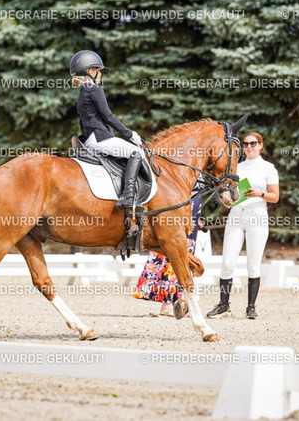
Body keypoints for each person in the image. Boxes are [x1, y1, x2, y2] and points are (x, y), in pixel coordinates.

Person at [207, 132, 279, 319]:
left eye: (253, 143)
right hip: (236, 214)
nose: (249, 147)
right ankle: (224, 305)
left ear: (260, 146)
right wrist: (226, 200)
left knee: (253, 264)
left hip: (257, 215)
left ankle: (251, 307)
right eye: (246, 144)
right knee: (227, 262)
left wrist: (259, 194)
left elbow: (275, 196)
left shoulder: (268, 168)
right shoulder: (237, 167)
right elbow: (228, 192)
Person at [70, 50, 144, 211]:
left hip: (89, 140)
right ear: (91, 71)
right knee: (137, 153)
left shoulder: (83, 92)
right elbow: (108, 116)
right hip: (100, 139)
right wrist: (130, 134)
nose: (101, 74)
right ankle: (128, 196)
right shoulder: (94, 89)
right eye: (99, 70)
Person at [133, 185, 204, 316]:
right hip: (177, 214)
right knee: (173, 256)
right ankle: (167, 302)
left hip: (191, 218)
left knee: (182, 260)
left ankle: (175, 301)